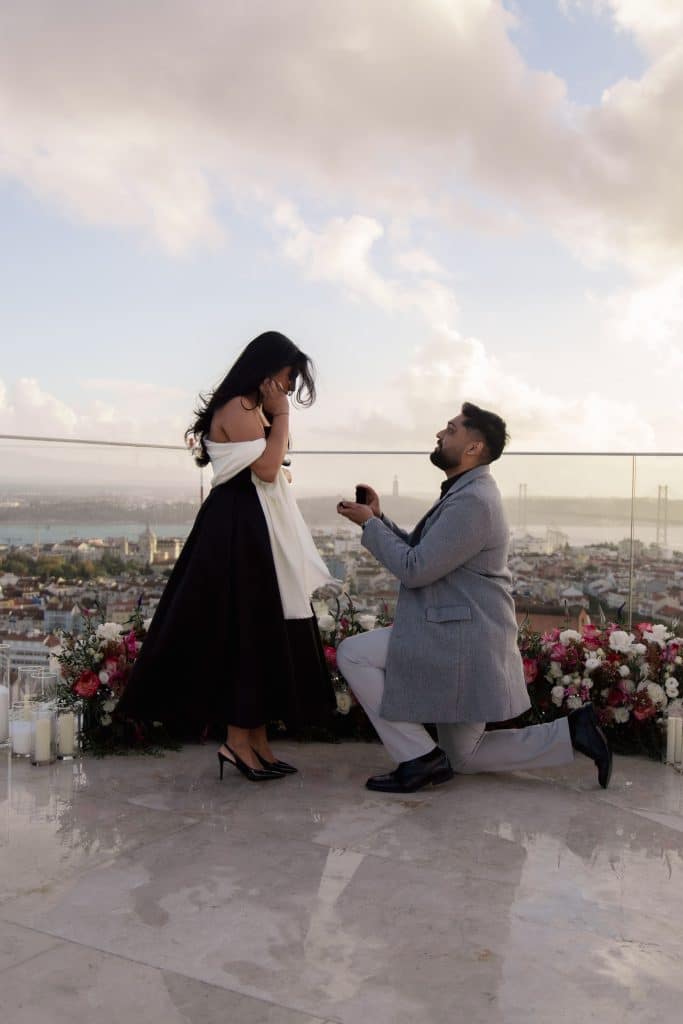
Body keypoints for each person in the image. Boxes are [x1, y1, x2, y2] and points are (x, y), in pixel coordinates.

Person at [335, 402, 611, 793]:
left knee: (353, 652)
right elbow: (424, 551)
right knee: (465, 755)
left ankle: (418, 758)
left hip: (458, 640)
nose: (439, 434)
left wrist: (369, 526)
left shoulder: (472, 502)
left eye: (450, 429)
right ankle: (572, 734)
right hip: (463, 634)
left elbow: (415, 568)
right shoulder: (468, 491)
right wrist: (378, 520)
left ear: (473, 447)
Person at [117, 331, 336, 781]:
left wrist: (275, 418)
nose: (291, 386)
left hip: (252, 523)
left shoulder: (251, 408)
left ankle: (255, 739)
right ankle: (237, 742)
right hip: (238, 526)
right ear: (269, 368)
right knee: (247, 630)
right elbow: (269, 467)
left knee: (259, 628)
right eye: (289, 375)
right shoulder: (240, 406)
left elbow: (269, 467)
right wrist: (283, 416)